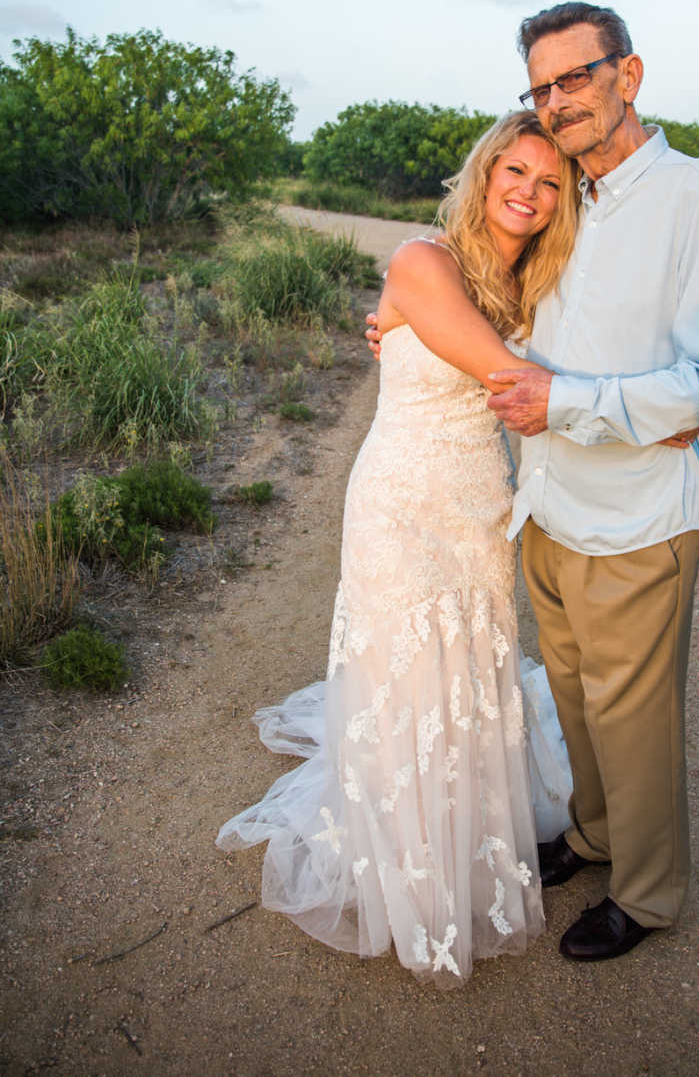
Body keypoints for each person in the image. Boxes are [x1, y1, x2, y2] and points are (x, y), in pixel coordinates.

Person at [217, 111, 582, 987]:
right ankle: (403, 854)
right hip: (399, 501)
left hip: (476, 502)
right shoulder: (423, 261)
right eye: (516, 171)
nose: (528, 193)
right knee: (405, 671)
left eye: (551, 183)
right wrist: (646, 410)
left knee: (469, 661)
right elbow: (503, 371)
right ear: (485, 169)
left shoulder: (546, 276)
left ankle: (468, 819)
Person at [484, 2, 699, 962]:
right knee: (577, 699)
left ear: (626, 76)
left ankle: (647, 893)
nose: (557, 103)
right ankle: (593, 839)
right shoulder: (564, 197)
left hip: (638, 517)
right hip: (548, 507)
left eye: (575, 79)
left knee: (636, 723)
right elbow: (527, 336)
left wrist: (567, 403)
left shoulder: (693, 192)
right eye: (540, 87)